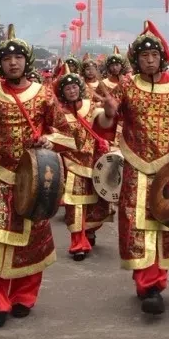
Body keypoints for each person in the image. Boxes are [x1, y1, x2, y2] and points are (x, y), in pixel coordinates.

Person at [0, 28, 77, 328]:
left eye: (18, 57)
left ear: (27, 61)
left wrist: (50, 141)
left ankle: (24, 297)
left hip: (35, 182)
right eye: (7, 58)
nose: (12, 63)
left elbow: (68, 134)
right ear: (0, 63)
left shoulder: (44, 94)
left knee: (32, 241)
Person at [94, 20, 169, 315]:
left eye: (154, 55)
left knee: (166, 221)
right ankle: (147, 284)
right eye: (144, 56)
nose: (150, 60)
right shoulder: (127, 86)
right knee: (136, 223)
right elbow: (108, 123)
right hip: (135, 162)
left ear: (162, 57)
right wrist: (107, 112)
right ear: (136, 59)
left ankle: (158, 280)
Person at [53, 69, 111, 261]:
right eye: (67, 88)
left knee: (98, 202)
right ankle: (78, 244)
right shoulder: (58, 114)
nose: (71, 91)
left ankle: (90, 230)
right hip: (72, 164)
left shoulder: (90, 107)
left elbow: (103, 120)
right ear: (62, 92)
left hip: (93, 161)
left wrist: (109, 111)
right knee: (75, 204)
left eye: (74, 87)